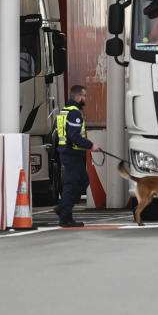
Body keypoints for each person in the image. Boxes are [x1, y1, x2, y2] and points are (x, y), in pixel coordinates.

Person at [53, 85, 97, 228]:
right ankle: (65, 217)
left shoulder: (65, 111)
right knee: (72, 185)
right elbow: (74, 136)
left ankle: (62, 208)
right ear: (77, 96)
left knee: (82, 182)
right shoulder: (74, 113)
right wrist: (91, 145)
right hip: (73, 153)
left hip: (68, 152)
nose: (85, 98)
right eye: (84, 96)